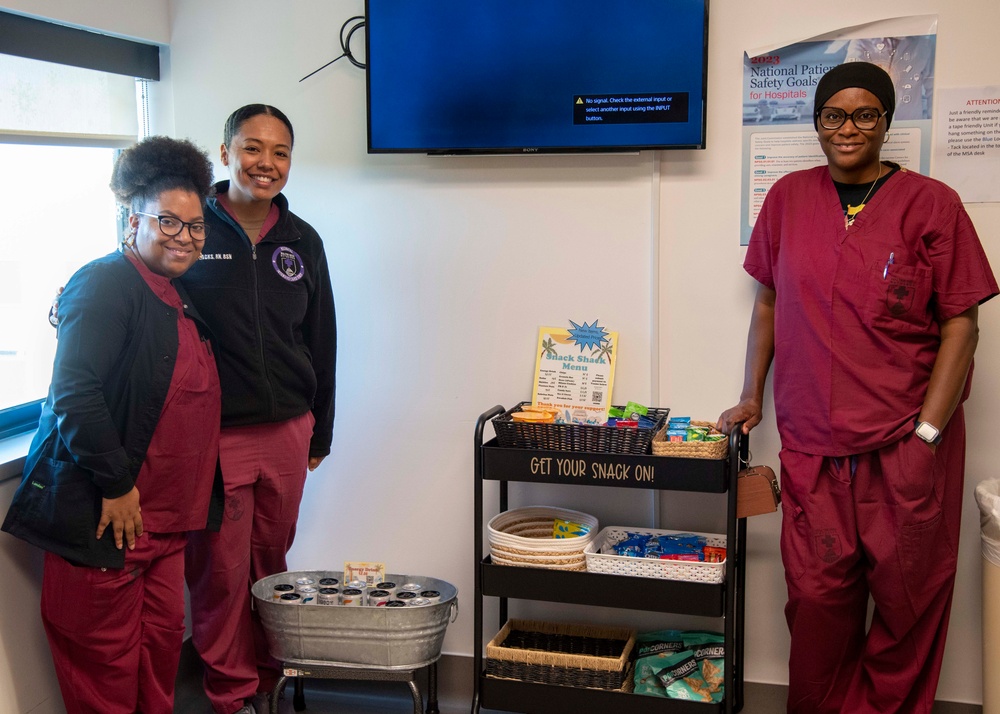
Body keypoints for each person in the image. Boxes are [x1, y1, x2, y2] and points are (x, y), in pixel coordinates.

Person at [717, 62, 997, 713]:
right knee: (818, 604)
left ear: (887, 121)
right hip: (813, 445)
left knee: (909, 603)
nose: (849, 127)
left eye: (865, 114)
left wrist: (927, 433)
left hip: (904, 445)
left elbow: (962, 323)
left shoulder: (933, 203)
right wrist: (753, 394)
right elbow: (768, 303)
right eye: (834, 115)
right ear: (817, 122)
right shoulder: (787, 198)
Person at [2, 136, 222, 714]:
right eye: (169, 222)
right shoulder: (103, 282)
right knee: (105, 674)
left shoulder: (173, 292)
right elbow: (75, 394)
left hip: (165, 527)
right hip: (110, 524)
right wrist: (118, 485)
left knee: (157, 666)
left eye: (196, 227)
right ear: (133, 219)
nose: (184, 237)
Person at [180, 104, 337, 714]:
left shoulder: (303, 240)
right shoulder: (192, 228)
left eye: (279, 152)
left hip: (289, 431)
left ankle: (270, 673)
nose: (265, 163)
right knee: (219, 568)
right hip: (216, 434)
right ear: (225, 154)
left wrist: (321, 430)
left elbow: (322, 336)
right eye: (252, 148)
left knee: (272, 560)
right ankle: (229, 691)